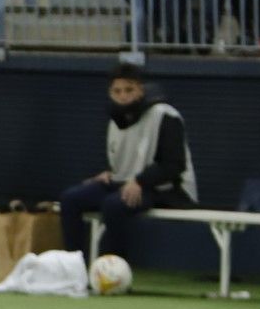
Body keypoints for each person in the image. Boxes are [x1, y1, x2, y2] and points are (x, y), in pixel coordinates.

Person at [59, 68, 198, 260]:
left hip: (167, 189)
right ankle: (74, 267)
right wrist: (109, 173)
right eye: (117, 91)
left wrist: (140, 181)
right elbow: (122, 161)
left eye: (129, 90)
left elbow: (174, 165)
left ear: (140, 90)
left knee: (113, 205)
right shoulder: (115, 121)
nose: (123, 96)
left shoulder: (165, 115)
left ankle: (114, 270)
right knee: (70, 199)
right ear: (110, 93)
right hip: (125, 183)